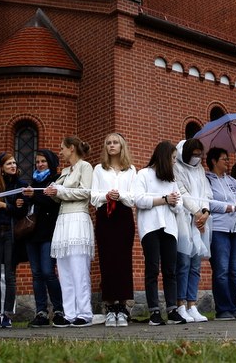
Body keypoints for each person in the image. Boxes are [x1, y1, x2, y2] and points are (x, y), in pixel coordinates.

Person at [45, 136, 94, 327]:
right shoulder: (65, 171)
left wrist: (60, 191)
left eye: (62, 148)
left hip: (78, 218)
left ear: (71, 148)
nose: (60, 152)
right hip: (63, 220)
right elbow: (59, 197)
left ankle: (84, 312)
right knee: (64, 268)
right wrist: (52, 193)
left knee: (78, 267)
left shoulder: (85, 167)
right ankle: (70, 313)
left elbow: (85, 192)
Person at [134, 140, 184, 325]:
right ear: (164, 157)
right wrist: (164, 200)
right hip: (150, 228)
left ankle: (172, 310)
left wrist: (173, 202)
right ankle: (154, 312)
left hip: (170, 228)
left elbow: (179, 206)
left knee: (170, 270)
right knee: (152, 269)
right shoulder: (143, 174)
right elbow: (138, 200)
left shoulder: (171, 180)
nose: (175, 162)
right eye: (173, 158)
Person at [91, 133, 137, 327]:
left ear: (122, 146)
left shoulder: (131, 169)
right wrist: (107, 195)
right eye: (108, 143)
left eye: (115, 142)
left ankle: (123, 308)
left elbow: (134, 197)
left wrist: (120, 195)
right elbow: (93, 196)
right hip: (105, 215)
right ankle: (110, 308)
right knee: (107, 260)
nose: (111, 145)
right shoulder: (99, 169)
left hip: (124, 215)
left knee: (123, 261)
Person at [0, 152, 28, 329]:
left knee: (10, 275)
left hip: (11, 233)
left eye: (14, 163)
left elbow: (22, 211)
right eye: (9, 163)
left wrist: (4, 205)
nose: (13, 166)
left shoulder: (21, 185)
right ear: (1, 168)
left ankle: (7, 314)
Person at [21, 149, 65, 327]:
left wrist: (35, 196)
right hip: (31, 234)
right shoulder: (33, 183)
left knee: (48, 272)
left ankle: (59, 310)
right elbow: (29, 206)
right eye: (37, 162)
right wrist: (22, 201)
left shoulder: (56, 180)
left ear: (50, 163)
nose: (39, 164)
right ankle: (41, 312)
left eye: (43, 161)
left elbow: (52, 203)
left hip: (48, 233)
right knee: (37, 274)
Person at [205, 147, 236, 320]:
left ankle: (233, 306)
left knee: (235, 271)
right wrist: (230, 207)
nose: (227, 162)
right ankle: (223, 309)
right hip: (219, 228)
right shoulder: (207, 179)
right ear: (214, 161)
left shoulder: (231, 180)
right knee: (221, 269)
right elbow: (208, 202)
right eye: (224, 159)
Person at [173, 138, 210, 323]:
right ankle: (180, 304)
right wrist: (197, 212)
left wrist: (205, 212)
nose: (196, 158)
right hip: (184, 219)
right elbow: (181, 191)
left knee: (196, 264)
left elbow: (206, 193)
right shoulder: (176, 167)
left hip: (200, 220)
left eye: (199, 155)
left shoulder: (200, 169)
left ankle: (192, 304)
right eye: (193, 155)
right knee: (183, 263)